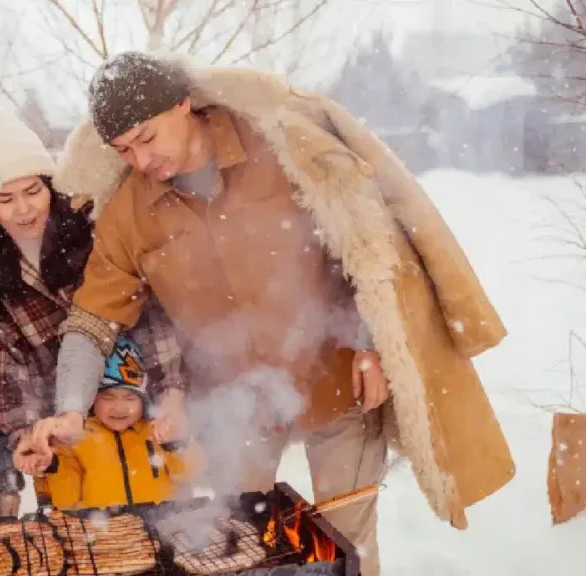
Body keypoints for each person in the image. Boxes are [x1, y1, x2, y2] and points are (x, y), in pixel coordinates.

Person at [27, 51, 515, 576]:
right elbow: (91, 320)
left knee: (345, 542)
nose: (141, 160)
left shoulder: (282, 149)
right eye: (124, 150)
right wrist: (71, 407)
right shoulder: (128, 213)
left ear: (183, 104)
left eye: (147, 138)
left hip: (334, 378)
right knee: (240, 541)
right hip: (234, 404)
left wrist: (369, 343)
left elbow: (363, 248)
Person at [0, 107, 189, 507]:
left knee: (160, 518)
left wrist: (170, 393)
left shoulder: (92, 234)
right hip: (69, 441)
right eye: (5, 198)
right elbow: (14, 368)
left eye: (33, 191)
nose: (23, 209)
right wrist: (27, 436)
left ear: (50, 188)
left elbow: (151, 321)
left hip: (134, 414)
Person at [15, 335, 205, 510]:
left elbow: (192, 476)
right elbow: (65, 501)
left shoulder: (158, 430)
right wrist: (54, 466)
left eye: (130, 397)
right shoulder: (76, 438)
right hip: (103, 532)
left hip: (163, 525)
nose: (119, 408)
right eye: (108, 397)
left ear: (143, 400)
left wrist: (177, 444)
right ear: (91, 399)